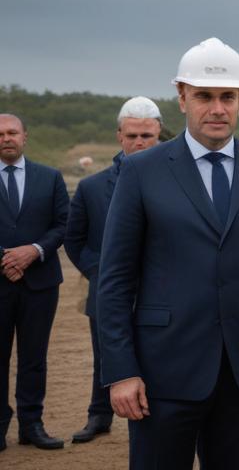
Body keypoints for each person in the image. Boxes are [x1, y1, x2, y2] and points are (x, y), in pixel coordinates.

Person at [97, 38, 239, 470]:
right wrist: (121, 370)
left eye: (228, 97)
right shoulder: (141, 171)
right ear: (182, 98)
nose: (217, 108)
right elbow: (115, 279)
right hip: (162, 371)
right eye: (204, 96)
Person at [64, 97, 162, 445]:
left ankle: (163, 417)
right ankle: (98, 416)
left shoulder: (174, 183)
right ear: (119, 135)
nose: (139, 143)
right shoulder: (92, 188)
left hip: (161, 292)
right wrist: (101, 274)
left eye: (147, 136)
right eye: (133, 135)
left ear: (159, 136)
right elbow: (74, 238)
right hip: (109, 291)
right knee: (107, 354)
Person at [0, 112, 69, 451]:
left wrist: (34, 251)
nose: (6, 138)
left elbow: (63, 224)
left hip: (40, 283)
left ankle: (32, 425)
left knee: (34, 357)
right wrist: (7, 258)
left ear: (25, 136)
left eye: (12, 132)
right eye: (0, 133)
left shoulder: (50, 177)